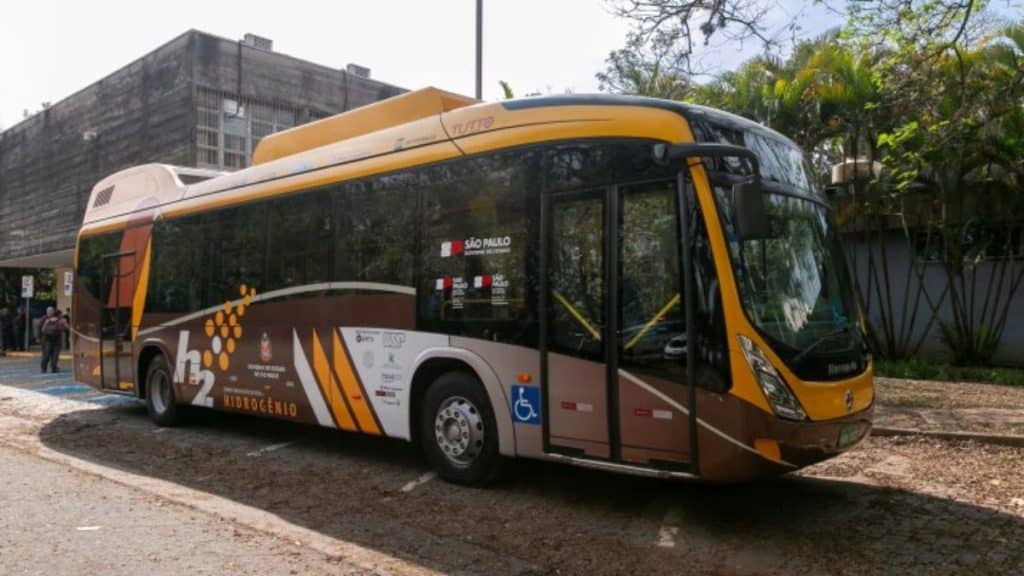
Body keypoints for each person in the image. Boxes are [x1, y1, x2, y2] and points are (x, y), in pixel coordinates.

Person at [39, 307, 68, 373]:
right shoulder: (44, 318)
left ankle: (53, 367)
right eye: (48, 311)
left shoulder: (58, 318)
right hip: (47, 340)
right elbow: (41, 329)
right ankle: (44, 368)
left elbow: (65, 328)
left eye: (51, 311)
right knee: (46, 355)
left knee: (55, 355)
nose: (50, 312)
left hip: (56, 340)